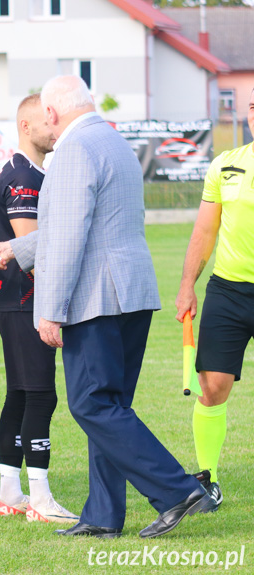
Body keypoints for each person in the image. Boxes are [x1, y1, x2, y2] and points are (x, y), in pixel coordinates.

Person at [0, 75, 214, 539]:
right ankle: (104, 515)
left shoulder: (71, 151)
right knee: (112, 404)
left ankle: (177, 490)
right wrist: (12, 250)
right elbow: (83, 223)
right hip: (132, 293)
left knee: (90, 404)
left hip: (96, 298)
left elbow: (68, 237)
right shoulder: (114, 143)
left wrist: (49, 309)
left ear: (51, 113)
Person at [0, 94, 77, 524]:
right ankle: (40, 500)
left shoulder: (32, 172)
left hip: (14, 302)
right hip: (25, 301)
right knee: (41, 394)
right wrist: (53, 307)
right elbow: (33, 247)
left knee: (21, 395)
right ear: (27, 125)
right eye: (47, 121)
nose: (54, 126)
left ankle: (11, 494)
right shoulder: (23, 176)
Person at [174, 86, 254, 511]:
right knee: (213, 386)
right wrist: (188, 285)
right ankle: (208, 478)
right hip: (229, 289)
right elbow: (205, 231)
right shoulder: (226, 165)